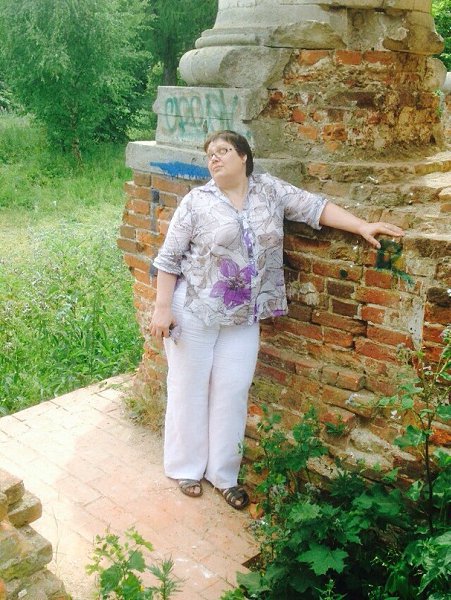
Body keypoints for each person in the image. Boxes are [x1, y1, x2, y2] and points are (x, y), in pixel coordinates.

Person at [149, 130, 404, 509]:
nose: (214, 158)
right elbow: (169, 259)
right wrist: (162, 308)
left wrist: (362, 225)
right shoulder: (196, 202)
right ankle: (186, 468)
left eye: (223, 150)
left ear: (244, 157)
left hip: (245, 314)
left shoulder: (270, 191)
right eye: (210, 154)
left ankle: (223, 475)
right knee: (189, 387)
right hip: (195, 310)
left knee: (233, 391)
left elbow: (315, 208)